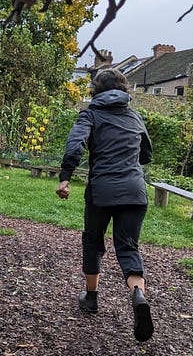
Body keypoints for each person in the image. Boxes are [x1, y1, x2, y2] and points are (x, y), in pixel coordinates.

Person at [56, 67, 154, 342]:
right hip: (135, 192)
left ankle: (91, 298)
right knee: (127, 246)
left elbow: (75, 145)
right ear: (124, 90)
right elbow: (146, 154)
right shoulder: (135, 116)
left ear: (95, 91)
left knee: (93, 240)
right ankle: (138, 293)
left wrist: (65, 177)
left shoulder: (90, 114)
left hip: (102, 191)